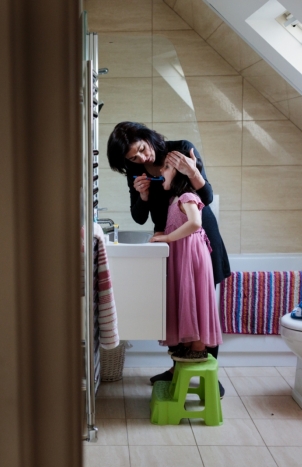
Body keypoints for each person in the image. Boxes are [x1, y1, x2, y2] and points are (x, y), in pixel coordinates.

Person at [106, 122, 230, 388]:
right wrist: (142, 194)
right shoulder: (136, 171)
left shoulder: (181, 150)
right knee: (174, 301)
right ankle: (177, 368)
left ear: (146, 137)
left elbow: (206, 196)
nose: (142, 158)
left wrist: (192, 171)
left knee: (203, 303)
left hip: (198, 241)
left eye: (141, 149)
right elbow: (139, 217)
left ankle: (210, 377)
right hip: (169, 242)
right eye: (132, 158)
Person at [150, 161, 222, 362]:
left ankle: (198, 346)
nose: (161, 172)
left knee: (194, 296)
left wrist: (166, 238)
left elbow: (195, 222)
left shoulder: (187, 196)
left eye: (165, 168)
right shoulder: (174, 199)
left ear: (177, 172)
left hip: (191, 256)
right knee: (187, 297)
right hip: (184, 256)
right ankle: (190, 343)